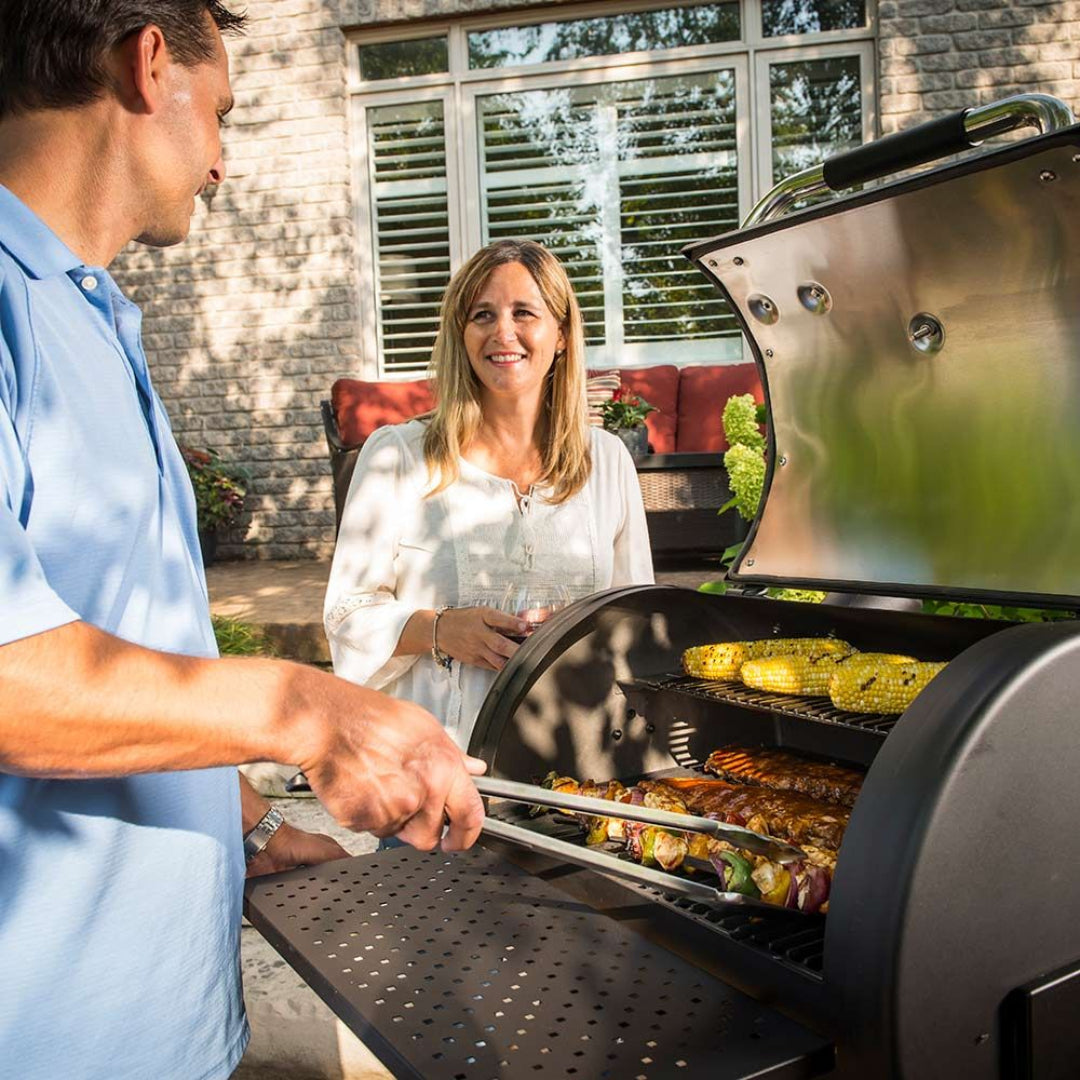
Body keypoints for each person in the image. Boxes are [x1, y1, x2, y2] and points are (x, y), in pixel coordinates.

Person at [0, 4, 486, 1077]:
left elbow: (131, 648)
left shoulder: (97, 316)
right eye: (221, 112)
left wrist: (254, 826)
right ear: (149, 63)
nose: (221, 163)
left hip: (176, 1020)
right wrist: (304, 709)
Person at [324, 239, 654, 750]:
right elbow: (346, 615)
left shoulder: (607, 461)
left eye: (524, 312)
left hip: (577, 759)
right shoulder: (398, 456)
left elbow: (638, 617)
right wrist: (440, 629)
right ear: (461, 333)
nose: (503, 332)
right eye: (482, 315)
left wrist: (580, 631)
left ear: (561, 334)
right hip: (437, 759)